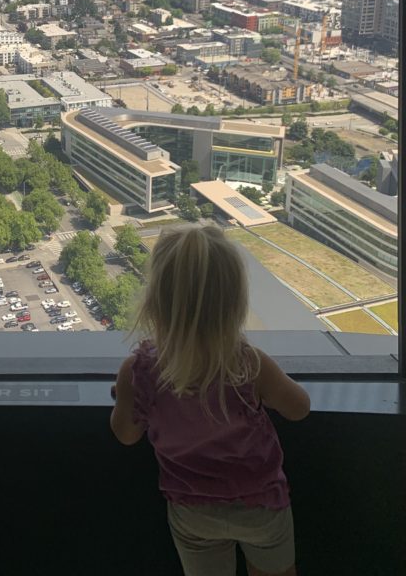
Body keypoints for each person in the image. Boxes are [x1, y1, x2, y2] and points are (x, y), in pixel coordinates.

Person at [110, 222, 310, 576]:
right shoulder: (249, 365)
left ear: (156, 303)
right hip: (260, 504)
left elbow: (126, 434)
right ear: (234, 304)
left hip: (192, 509)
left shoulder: (139, 372)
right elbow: (298, 408)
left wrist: (124, 396)